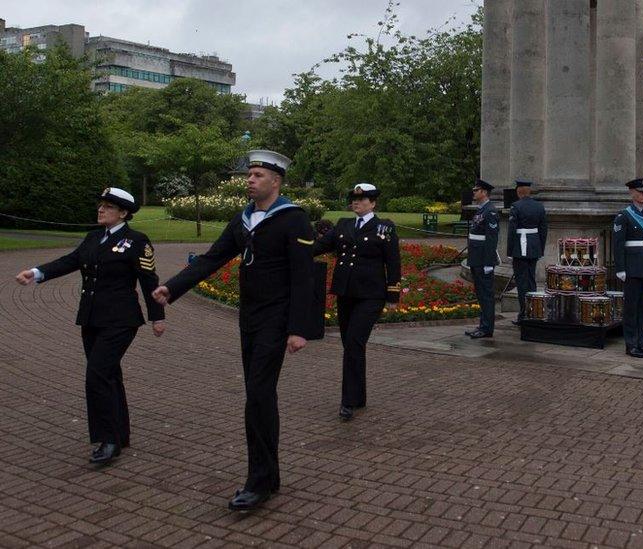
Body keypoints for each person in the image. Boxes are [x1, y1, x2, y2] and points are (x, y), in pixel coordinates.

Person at [151, 150, 317, 511]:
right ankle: (270, 476)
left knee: (257, 395)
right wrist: (173, 287)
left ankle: (257, 482)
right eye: (249, 174)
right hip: (250, 318)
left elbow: (305, 278)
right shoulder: (242, 220)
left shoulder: (294, 220)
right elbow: (212, 258)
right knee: (259, 396)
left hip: (277, 318)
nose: (250, 180)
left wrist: (300, 328)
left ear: (276, 181)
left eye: (257, 175)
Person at [15, 188, 165, 465]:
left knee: (96, 375)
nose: (101, 210)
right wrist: (36, 273)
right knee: (109, 375)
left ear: (123, 213)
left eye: (108, 207)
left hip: (121, 320)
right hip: (92, 318)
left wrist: (158, 316)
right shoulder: (93, 237)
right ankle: (120, 433)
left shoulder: (136, 241)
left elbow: (149, 280)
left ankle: (108, 441)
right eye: (101, 205)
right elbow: (69, 261)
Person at [311, 183, 401, 422]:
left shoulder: (385, 227)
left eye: (362, 200)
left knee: (353, 342)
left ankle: (347, 401)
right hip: (346, 293)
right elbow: (320, 246)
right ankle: (359, 395)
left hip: (371, 295)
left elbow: (393, 263)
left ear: (373, 203)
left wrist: (393, 295)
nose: (356, 203)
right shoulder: (343, 224)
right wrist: (294, 247)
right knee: (351, 346)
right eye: (354, 199)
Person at [612, 178, 643, 358]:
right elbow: (618, 245)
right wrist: (621, 268)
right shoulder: (624, 216)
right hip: (633, 269)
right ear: (632, 193)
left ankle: (642, 343)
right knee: (631, 308)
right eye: (640, 192)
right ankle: (631, 344)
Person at [506, 179, 548, 325]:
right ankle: (533, 311)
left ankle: (524, 314)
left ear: (518, 192)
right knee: (531, 281)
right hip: (534, 246)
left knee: (522, 282)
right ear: (529, 191)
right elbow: (543, 230)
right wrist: (540, 248)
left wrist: (510, 251)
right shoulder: (539, 207)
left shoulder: (516, 206)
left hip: (520, 247)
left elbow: (511, 231)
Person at [465, 179, 500, 339]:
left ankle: (487, 328)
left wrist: (488, 263)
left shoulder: (490, 211)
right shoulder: (481, 210)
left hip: (483, 260)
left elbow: (491, 240)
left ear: (484, 192)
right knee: (481, 293)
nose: (474, 192)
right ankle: (483, 325)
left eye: (476, 190)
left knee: (486, 294)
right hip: (476, 258)